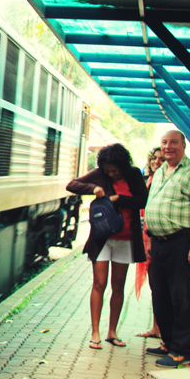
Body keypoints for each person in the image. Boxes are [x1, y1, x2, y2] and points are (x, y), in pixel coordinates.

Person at [67, 143, 147, 350]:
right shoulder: (100, 173)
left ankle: (112, 331)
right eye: (107, 170)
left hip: (126, 238)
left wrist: (119, 200)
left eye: (115, 170)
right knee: (99, 283)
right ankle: (95, 333)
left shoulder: (134, 174)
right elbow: (72, 185)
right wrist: (93, 188)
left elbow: (143, 200)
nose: (111, 174)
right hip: (102, 238)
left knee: (118, 285)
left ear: (123, 166)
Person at [144, 130, 190, 368]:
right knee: (160, 294)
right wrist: (150, 239)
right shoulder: (161, 170)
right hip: (160, 244)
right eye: (164, 143)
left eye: (174, 142)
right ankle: (168, 342)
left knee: (183, 297)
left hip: (183, 243)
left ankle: (181, 350)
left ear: (184, 146)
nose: (168, 146)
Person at [136, 146, 165, 339]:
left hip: (157, 238)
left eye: (161, 160)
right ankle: (156, 327)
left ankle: (161, 329)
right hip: (146, 236)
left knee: (160, 284)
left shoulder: (163, 181)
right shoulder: (150, 180)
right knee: (155, 285)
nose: (156, 162)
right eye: (154, 159)